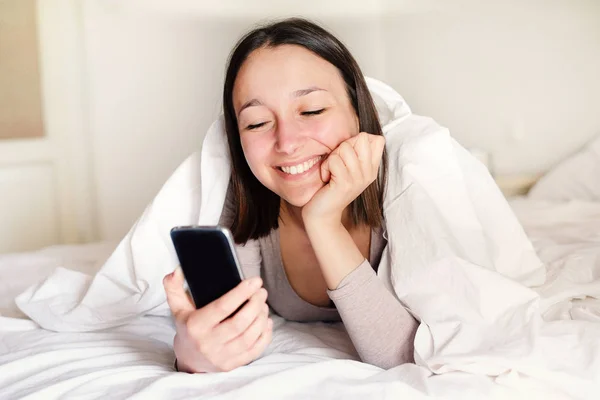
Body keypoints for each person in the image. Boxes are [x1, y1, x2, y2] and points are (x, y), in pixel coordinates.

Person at [162, 17, 418, 374]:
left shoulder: (404, 189)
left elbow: (402, 356)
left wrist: (323, 221)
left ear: (358, 112)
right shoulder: (246, 199)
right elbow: (228, 330)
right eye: (256, 123)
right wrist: (193, 355)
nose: (287, 143)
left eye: (311, 111)